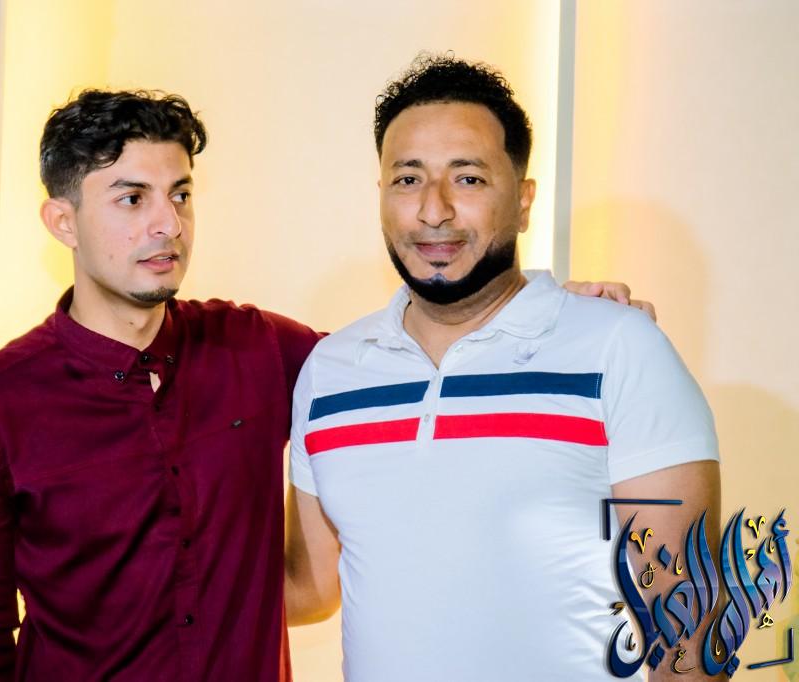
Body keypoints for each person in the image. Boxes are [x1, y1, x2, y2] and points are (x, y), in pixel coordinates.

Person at [0, 87, 648, 681]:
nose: (167, 224)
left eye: (180, 194)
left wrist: (557, 315)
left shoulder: (258, 349)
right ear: (63, 221)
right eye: (131, 199)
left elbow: (419, 363)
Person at [284, 55, 720, 682]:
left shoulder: (619, 347)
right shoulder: (331, 372)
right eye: (408, 179)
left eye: (468, 178)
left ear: (523, 201)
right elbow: (308, 588)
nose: (433, 210)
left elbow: (686, 622)